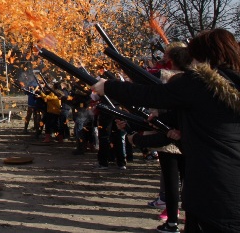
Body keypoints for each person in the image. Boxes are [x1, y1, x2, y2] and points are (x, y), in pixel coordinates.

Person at [92, 28, 240, 233]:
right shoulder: (231, 84)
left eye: (195, 58)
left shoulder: (203, 83)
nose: (192, 64)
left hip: (213, 185)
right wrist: (175, 126)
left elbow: (154, 95)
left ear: (206, 57)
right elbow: (209, 119)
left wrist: (109, 87)